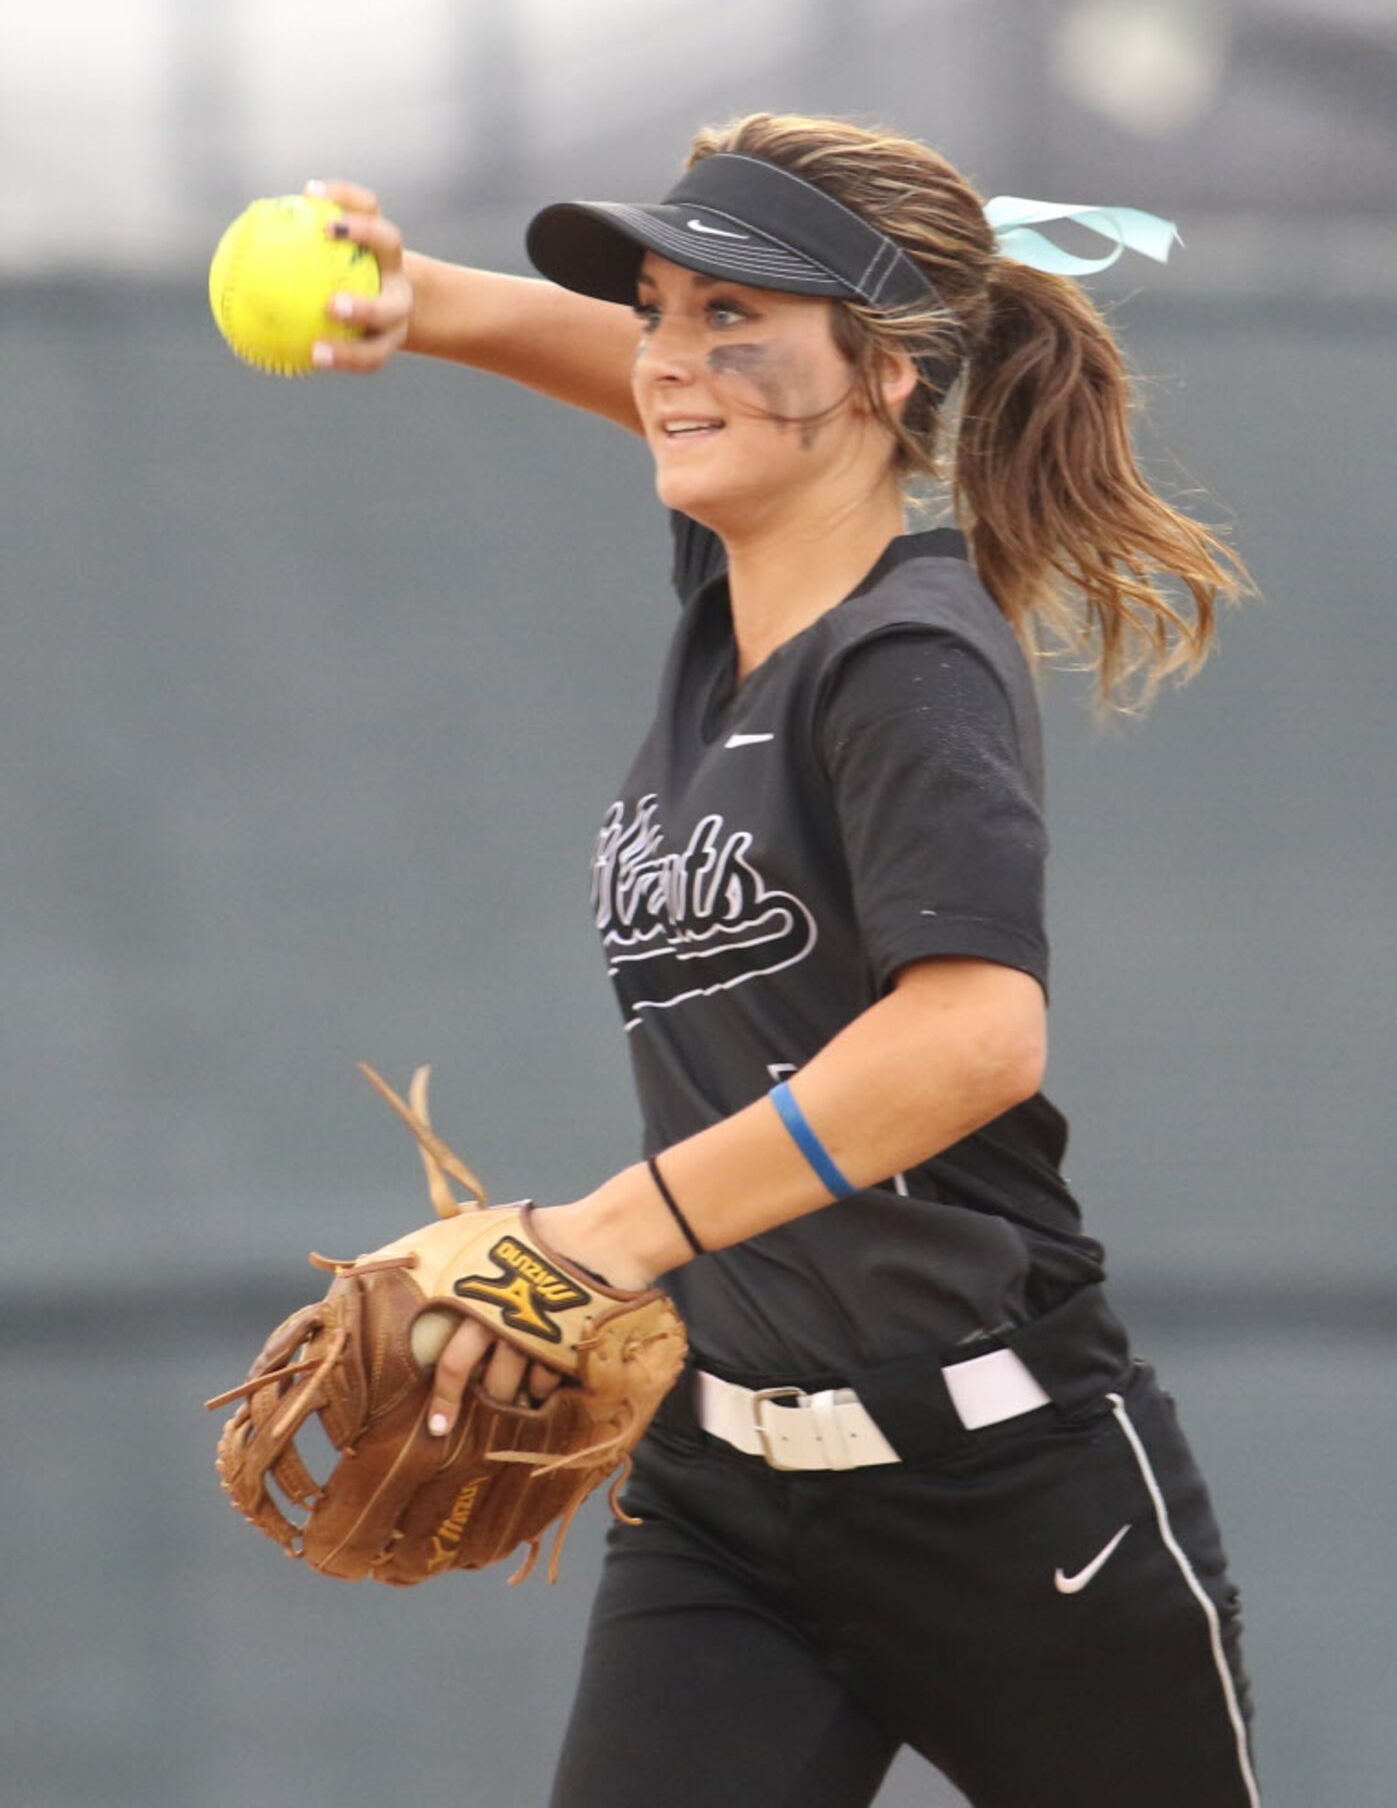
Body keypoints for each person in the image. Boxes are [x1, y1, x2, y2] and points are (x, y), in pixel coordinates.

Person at [303, 112, 1260, 1807]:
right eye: (660, 308)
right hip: (724, 1498)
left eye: (734, 315)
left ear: (884, 371)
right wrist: (424, 302)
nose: (674, 360)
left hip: (1006, 1492)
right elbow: (691, 401)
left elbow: (971, 1041)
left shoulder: (904, 658)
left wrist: (604, 1233)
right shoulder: (741, 576)